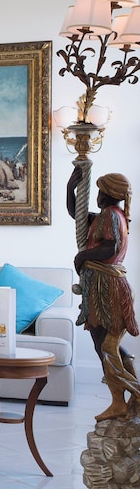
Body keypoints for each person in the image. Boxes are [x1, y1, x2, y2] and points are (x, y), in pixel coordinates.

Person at [67, 168, 140, 421]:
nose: (96, 196)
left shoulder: (111, 215)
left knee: (105, 346)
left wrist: (82, 256)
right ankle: (124, 400)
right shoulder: (108, 216)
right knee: (106, 346)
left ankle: (127, 398)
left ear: (107, 194)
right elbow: (77, 216)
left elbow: (111, 247)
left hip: (107, 287)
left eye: (99, 192)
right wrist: (70, 188)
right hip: (101, 285)